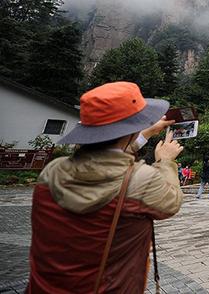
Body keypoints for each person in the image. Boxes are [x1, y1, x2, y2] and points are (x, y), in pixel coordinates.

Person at [27, 81, 184, 293]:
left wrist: (144, 134)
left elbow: (106, 158)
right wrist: (165, 161)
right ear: (130, 130)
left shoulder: (52, 171)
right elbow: (171, 201)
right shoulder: (139, 179)